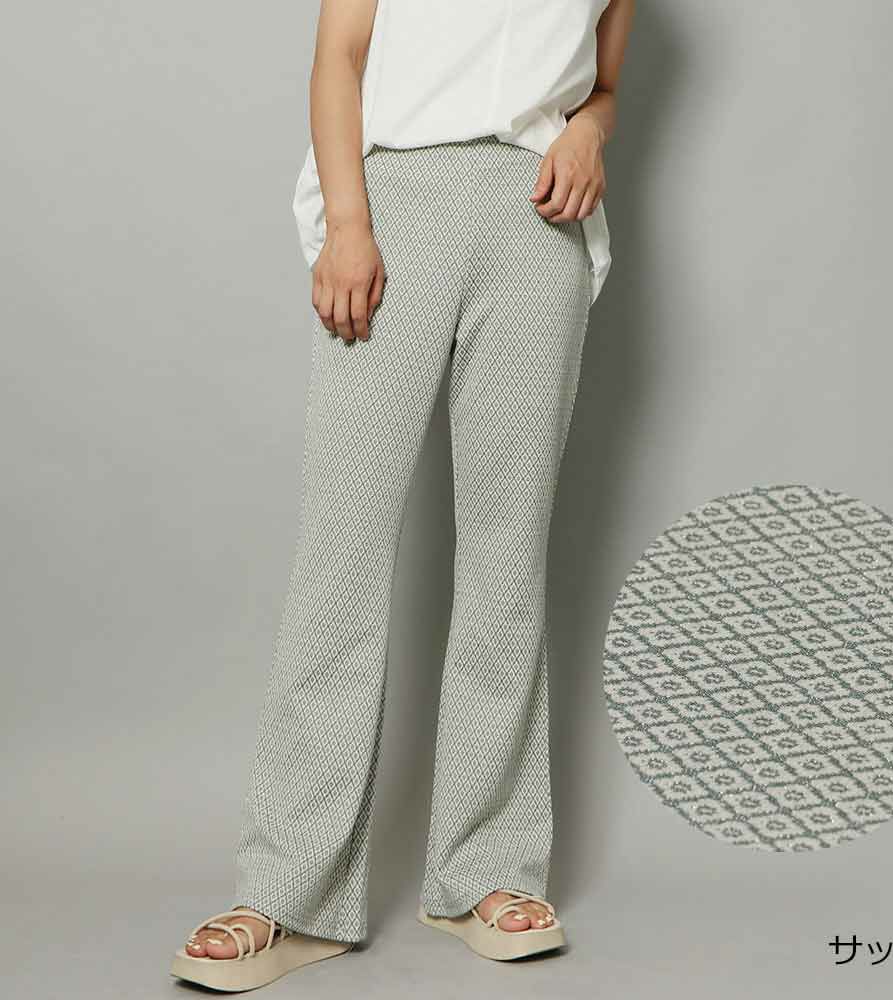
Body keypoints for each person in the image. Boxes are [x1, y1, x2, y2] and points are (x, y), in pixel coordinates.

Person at [170, 0, 633, 989]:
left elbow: (603, 84)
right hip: (392, 203)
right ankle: (291, 891)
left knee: (508, 561)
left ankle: (487, 873)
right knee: (340, 556)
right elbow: (338, 56)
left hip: (538, 220)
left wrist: (590, 131)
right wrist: (347, 221)